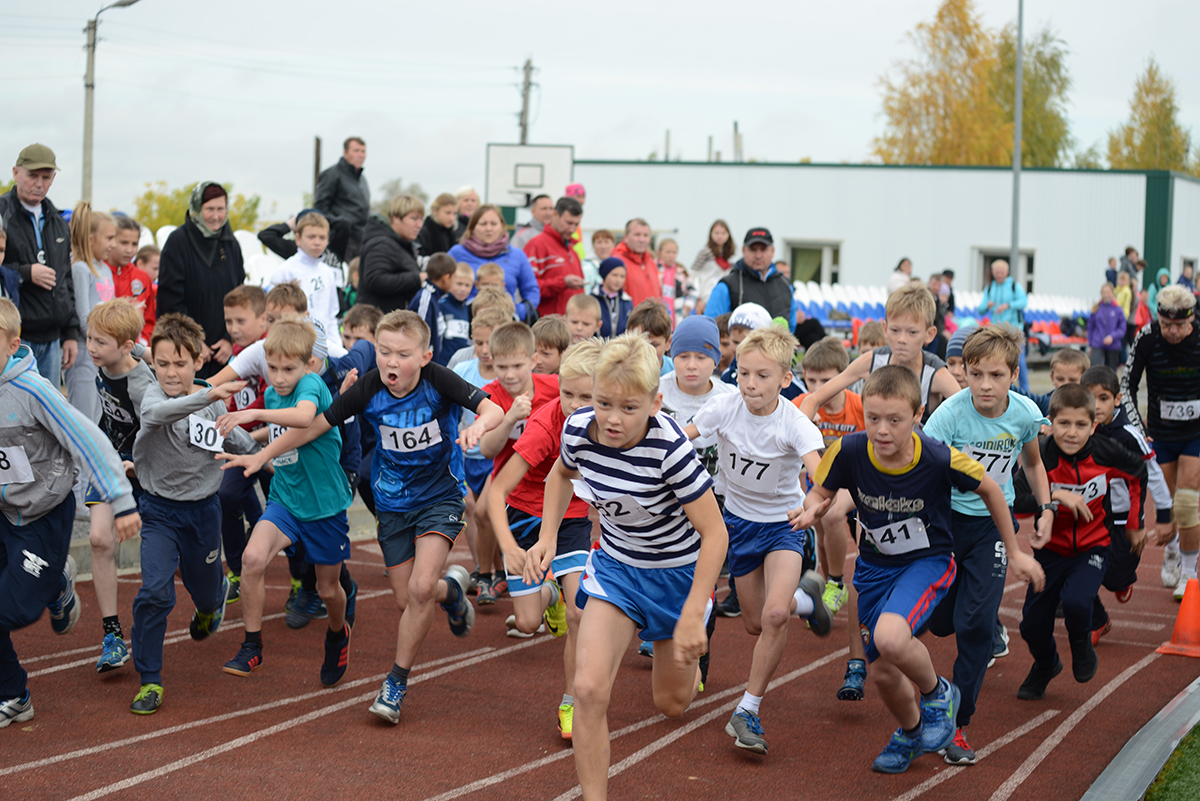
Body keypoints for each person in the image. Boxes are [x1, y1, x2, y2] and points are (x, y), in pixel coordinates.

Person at [220, 310, 504, 724]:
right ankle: (452, 592)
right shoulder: (370, 386)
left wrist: (479, 427)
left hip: (440, 497)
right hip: (392, 503)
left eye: (402, 354)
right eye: (384, 352)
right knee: (409, 599)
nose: (391, 362)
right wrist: (260, 455)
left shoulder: (439, 380)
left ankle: (395, 683)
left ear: (425, 357)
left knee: (419, 587)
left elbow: (492, 409)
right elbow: (315, 426)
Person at [794, 365, 1036, 774]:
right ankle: (910, 733)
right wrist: (811, 508)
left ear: (917, 415)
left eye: (895, 420)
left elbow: (992, 489)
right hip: (873, 569)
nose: (882, 430)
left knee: (890, 638)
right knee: (884, 672)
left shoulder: (937, 456)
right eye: (873, 418)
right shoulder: (849, 450)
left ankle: (938, 693)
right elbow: (820, 490)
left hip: (926, 563)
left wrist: (1014, 551)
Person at [532, 333, 728, 800]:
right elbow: (561, 474)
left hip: (677, 576)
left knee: (671, 704)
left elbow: (716, 534)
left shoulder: (671, 450)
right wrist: (547, 536)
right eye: (603, 403)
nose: (612, 419)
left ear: (655, 403)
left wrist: (692, 611)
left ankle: (694, 640)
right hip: (617, 569)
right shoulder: (579, 429)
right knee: (588, 689)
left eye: (628, 408)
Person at [687, 326, 831, 756]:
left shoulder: (794, 423)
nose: (750, 384)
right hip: (737, 525)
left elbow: (820, 473)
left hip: (783, 526)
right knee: (754, 622)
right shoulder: (724, 406)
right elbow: (682, 436)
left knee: (773, 615)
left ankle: (747, 709)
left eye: (762, 376)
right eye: (744, 373)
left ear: (785, 379)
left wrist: (813, 505)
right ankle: (807, 600)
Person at [0, 297, 141, 728]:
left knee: (13, 610)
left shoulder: (33, 390)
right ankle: (13, 693)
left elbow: (90, 441)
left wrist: (121, 500)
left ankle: (56, 583)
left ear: (13, 344)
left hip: (43, 513)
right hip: (3, 511)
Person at [921, 325, 1051, 765]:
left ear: (1014, 375)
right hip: (945, 524)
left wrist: (1046, 508)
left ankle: (956, 724)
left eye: (996, 375)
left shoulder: (1025, 413)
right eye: (975, 374)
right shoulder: (949, 416)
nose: (985, 385)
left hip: (993, 527)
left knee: (974, 626)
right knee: (942, 623)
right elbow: (922, 468)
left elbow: (1033, 463)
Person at [128, 313, 259, 714]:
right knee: (155, 591)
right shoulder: (151, 395)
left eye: (180, 364)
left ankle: (210, 603)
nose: (170, 372)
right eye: (162, 363)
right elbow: (157, 415)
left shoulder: (212, 406)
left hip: (203, 513)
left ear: (198, 362)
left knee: (204, 592)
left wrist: (271, 456)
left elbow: (243, 444)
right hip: (159, 511)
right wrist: (208, 395)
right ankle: (150, 678)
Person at [215, 317, 353, 686]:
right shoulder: (276, 394)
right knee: (252, 558)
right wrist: (243, 442)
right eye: (272, 368)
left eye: (288, 369)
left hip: (324, 506)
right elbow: (280, 434)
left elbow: (303, 418)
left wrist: (254, 414)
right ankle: (252, 645)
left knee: (328, 590)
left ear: (309, 364)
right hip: (286, 499)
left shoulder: (311, 385)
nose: (278, 377)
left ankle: (338, 632)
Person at [485, 340, 602, 739]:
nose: (575, 405)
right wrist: (508, 547)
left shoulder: (609, 423)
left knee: (580, 612)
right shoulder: (545, 425)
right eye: (568, 394)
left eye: (586, 397)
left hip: (571, 518)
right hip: (524, 516)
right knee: (527, 621)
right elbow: (497, 491)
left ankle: (570, 703)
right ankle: (549, 596)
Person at [1014, 384, 1146, 700]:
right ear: (1050, 422)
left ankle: (1081, 642)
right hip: (1050, 551)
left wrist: (1134, 523)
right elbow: (1016, 501)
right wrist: (1056, 495)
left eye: (1080, 424)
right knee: (1031, 626)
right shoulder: (1041, 455)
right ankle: (1046, 664)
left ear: (1094, 425)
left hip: (1093, 546)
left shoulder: (1105, 451)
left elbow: (1138, 471)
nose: (1071, 433)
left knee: (1076, 600)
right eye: (1064, 423)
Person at [792, 338, 870, 700]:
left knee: (835, 511)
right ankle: (826, 578)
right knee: (822, 523)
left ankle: (836, 581)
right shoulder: (803, 406)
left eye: (825, 380)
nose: (817, 387)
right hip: (821, 483)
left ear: (843, 377)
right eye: (810, 380)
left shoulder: (859, 406)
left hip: (858, 483)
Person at [84, 299, 156, 674]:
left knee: (165, 556)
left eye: (100, 342)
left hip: (143, 469)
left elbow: (157, 434)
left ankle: (208, 587)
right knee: (99, 539)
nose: (91, 348)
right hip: (109, 461)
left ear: (125, 347)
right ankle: (112, 635)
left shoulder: (143, 385)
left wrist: (137, 464)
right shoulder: (105, 363)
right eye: (89, 339)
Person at [1081, 366, 1173, 645]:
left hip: (1125, 520)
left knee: (1114, 578)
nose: (1096, 406)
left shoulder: (1129, 436)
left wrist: (1164, 515)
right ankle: (1097, 620)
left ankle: (1123, 581)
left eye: (1104, 398)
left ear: (1118, 399)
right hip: (1092, 516)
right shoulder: (1079, 429)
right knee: (1076, 567)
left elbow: (1153, 474)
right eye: (1090, 398)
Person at [1121, 285, 1200, 598]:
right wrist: (1138, 428)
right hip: (1160, 433)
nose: (1172, 331)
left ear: (1191, 319)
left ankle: (1190, 574)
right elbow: (1127, 386)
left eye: (1179, 325)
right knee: (1170, 500)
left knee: (1186, 501)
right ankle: (1173, 549)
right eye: (1166, 324)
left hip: (1196, 433)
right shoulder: (1147, 336)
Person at [475, 322, 560, 604]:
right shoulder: (490, 395)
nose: (509, 375)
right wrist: (509, 418)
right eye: (502, 367)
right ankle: (487, 573)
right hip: (511, 482)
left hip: (550, 478)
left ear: (533, 361)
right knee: (483, 512)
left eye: (517, 366)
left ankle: (553, 586)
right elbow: (487, 450)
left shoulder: (555, 388)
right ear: (492, 363)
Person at [1, 144, 79, 387]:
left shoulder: (58, 220)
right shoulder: (2, 214)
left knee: (47, 406)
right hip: (15, 337)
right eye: (32, 175)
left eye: (46, 177)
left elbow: (66, 279)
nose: (39, 183)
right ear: (16, 173)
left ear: (53, 178)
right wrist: (25, 273)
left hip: (52, 340)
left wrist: (70, 332)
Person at [214, 285, 271, 604]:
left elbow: (267, 401)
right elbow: (233, 398)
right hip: (243, 444)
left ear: (263, 319)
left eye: (241, 321)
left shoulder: (271, 352)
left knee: (287, 507)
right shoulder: (237, 353)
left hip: (275, 444)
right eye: (228, 321)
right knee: (226, 495)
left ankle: (303, 582)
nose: (234, 328)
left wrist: (240, 423)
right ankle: (235, 570)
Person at [156, 182, 245, 379]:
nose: (216, 216)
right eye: (209, 209)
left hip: (223, 354)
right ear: (196, 208)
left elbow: (239, 294)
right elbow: (169, 301)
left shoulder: (230, 243)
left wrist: (229, 338)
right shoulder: (178, 242)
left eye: (220, 209)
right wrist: (192, 341)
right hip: (186, 353)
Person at [453, 307, 508, 586]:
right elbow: (448, 410)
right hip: (468, 455)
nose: (485, 350)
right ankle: (489, 569)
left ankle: (491, 572)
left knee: (485, 510)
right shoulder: (461, 371)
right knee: (476, 512)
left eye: (491, 343)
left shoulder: (507, 375)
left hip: (497, 456)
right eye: (479, 342)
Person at [266, 212, 347, 358]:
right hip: (295, 348)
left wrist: (338, 348)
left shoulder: (328, 272)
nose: (317, 242)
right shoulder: (285, 271)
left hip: (325, 347)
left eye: (322, 237)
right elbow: (272, 316)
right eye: (311, 237)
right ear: (298, 239)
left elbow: (332, 316)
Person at [66, 203, 116, 422]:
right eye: (109, 238)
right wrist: (104, 340)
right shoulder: (80, 268)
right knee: (82, 417)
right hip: (85, 353)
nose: (113, 244)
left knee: (98, 417)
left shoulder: (105, 268)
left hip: (103, 353)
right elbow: (83, 315)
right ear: (90, 239)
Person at [449, 205, 540, 323]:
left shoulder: (517, 255)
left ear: (502, 227)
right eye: (483, 224)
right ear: (472, 227)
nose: (488, 228)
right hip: (466, 323)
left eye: (493, 224)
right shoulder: (457, 253)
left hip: (506, 323)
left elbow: (532, 291)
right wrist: (461, 310)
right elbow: (443, 284)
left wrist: (516, 312)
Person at [702, 228, 795, 331]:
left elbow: (791, 329)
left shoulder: (786, 285)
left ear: (772, 251)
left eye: (763, 249)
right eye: (753, 249)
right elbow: (711, 328)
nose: (758, 255)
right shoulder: (727, 286)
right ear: (743, 250)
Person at [357, 195, 424, 315]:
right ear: (396, 218)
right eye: (414, 219)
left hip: (389, 319)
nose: (419, 225)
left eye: (421, 219)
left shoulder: (400, 243)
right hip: (376, 320)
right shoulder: (381, 244)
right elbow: (375, 280)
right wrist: (417, 279)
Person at [525, 197, 585, 317]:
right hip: (547, 323)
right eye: (569, 223)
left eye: (576, 224)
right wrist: (563, 283)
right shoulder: (537, 245)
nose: (572, 229)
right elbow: (529, 287)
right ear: (555, 215)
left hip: (571, 323)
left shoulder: (572, 249)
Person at [313, 137, 369, 261]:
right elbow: (320, 210)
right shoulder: (332, 174)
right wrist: (341, 224)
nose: (360, 155)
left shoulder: (362, 179)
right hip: (342, 240)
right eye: (356, 151)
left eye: (363, 151)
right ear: (345, 153)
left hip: (361, 240)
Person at [977, 259, 1029, 392]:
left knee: (1020, 362)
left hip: (1014, 330)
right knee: (998, 361)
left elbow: (1024, 301)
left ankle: (1026, 391)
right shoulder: (990, 288)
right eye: (997, 272)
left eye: (1001, 272)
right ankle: (1002, 388)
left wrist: (1008, 305)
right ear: (993, 273)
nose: (999, 275)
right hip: (997, 331)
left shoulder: (1014, 286)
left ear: (1007, 272)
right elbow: (980, 309)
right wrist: (987, 305)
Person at [106, 217, 155, 346]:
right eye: (124, 243)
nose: (129, 250)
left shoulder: (142, 277)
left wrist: (143, 342)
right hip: (102, 348)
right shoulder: (97, 272)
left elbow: (149, 319)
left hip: (133, 350)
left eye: (134, 244)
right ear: (111, 240)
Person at [408, 253, 458, 366]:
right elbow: (419, 336)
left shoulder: (435, 297)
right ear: (446, 278)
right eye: (454, 277)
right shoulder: (426, 298)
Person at [611, 218, 661, 307]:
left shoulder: (651, 262)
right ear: (626, 237)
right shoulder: (617, 262)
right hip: (631, 315)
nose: (642, 239)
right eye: (637, 235)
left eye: (646, 235)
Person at [691, 220, 735, 313]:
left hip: (723, 296)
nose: (720, 236)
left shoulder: (729, 253)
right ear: (711, 234)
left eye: (723, 233)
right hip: (706, 297)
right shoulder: (705, 252)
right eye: (717, 233)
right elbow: (694, 275)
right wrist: (698, 298)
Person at [627, 300, 674, 377]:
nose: (644, 351)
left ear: (668, 343)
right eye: (637, 343)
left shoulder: (676, 371)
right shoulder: (620, 371)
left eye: (653, 345)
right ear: (627, 337)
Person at [439, 262, 475, 361]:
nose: (463, 289)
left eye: (467, 285)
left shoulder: (466, 308)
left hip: (460, 362)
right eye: (459, 284)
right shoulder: (441, 305)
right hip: (443, 362)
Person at [1088, 283, 1126, 370]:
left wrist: (1112, 337)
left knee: (1110, 372)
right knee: (1095, 370)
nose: (1106, 295)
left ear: (1113, 293)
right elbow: (1090, 327)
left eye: (1108, 292)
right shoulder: (1096, 308)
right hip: (1097, 344)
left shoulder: (1118, 309)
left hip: (1113, 345)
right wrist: (1090, 343)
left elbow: (1122, 328)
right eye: (1104, 292)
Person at [592, 257, 632, 338]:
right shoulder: (593, 299)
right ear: (605, 275)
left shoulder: (627, 300)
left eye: (622, 276)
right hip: (597, 344)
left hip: (620, 345)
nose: (618, 280)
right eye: (614, 275)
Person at [417, 193, 460, 259]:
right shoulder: (424, 233)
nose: (452, 218)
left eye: (455, 213)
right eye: (448, 213)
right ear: (435, 211)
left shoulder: (451, 232)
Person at [580, 229, 613, 296]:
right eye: (599, 242)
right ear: (593, 245)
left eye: (606, 242)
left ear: (613, 244)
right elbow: (585, 293)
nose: (603, 246)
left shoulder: (617, 266)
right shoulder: (587, 267)